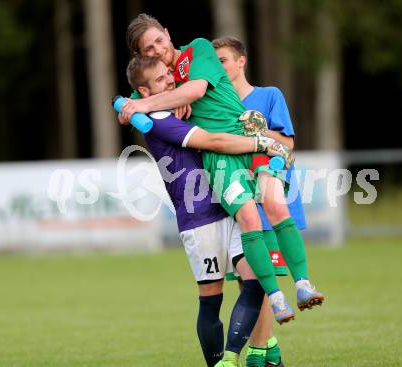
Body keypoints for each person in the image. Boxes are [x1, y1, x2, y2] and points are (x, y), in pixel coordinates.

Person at [120, 15, 306, 341]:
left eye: (159, 41)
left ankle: (279, 320)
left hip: (240, 177)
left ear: (167, 33)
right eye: (149, 49)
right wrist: (148, 102)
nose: (159, 49)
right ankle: (252, 353)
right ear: (144, 57)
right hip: (207, 200)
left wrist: (145, 104)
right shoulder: (165, 97)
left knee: (258, 273)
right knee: (229, 291)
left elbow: (194, 88)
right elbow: (209, 134)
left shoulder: (196, 56)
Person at [213, 36, 319, 367]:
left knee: (260, 283)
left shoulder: (269, 96)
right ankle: (270, 351)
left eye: (224, 60)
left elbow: (287, 146)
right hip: (238, 202)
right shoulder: (217, 106)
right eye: (214, 63)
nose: (219, 67)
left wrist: (259, 132)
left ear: (241, 61)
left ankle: (257, 357)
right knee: (248, 285)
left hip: (269, 201)